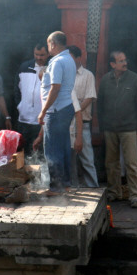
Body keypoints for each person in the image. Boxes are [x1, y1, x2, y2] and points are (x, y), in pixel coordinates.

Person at [97, 51, 137, 208]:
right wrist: (102, 128)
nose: (125, 63)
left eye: (125, 60)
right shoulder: (105, 80)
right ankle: (114, 193)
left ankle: (136, 196)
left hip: (129, 128)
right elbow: (100, 105)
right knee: (111, 163)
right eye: (121, 61)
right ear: (112, 64)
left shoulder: (135, 79)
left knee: (132, 163)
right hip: (110, 128)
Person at [37, 31, 76, 196]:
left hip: (56, 110)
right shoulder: (69, 59)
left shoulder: (58, 62)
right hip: (67, 107)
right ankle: (65, 184)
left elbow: (55, 87)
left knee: (52, 149)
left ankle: (56, 187)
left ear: (53, 43)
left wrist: (43, 111)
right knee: (64, 147)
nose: (48, 47)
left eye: (48, 44)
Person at [67, 45, 98, 188]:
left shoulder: (88, 75)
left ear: (79, 58)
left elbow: (89, 97)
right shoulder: (64, 74)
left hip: (83, 123)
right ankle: (73, 188)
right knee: (70, 160)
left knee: (87, 159)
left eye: (71, 57)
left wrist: (75, 110)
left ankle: (93, 187)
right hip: (67, 124)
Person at [14, 42, 50, 156]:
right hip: (23, 119)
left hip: (41, 122)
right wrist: (20, 106)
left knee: (39, 154)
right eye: (36, 54)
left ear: (48, 54)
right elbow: (16, 90)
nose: (39, 57)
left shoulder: (52, 68)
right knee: (22, 153)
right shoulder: (24, 67)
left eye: (42, 55)